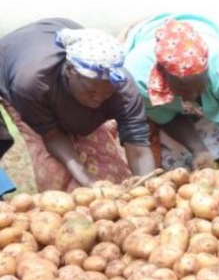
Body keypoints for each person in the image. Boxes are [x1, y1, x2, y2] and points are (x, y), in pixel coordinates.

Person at [0, 18, 156, 192]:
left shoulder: (123, 88)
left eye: (107, 94)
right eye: (91, 92)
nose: (98, 99)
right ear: (70, 72)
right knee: (58, 176)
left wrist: (147, 190)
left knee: (107, 165)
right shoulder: (31, 83)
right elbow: (51, 136)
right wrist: (89, 184)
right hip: (15, 70)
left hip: (55, 45)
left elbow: (138, 146)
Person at [120, 13, 219, 172]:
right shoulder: (138, 78)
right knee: (175, 163)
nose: (191, 97)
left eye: (199, 88)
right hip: (155, 90)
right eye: (183, 90)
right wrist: (199, 149)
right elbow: (167, 118)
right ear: (163, 75)